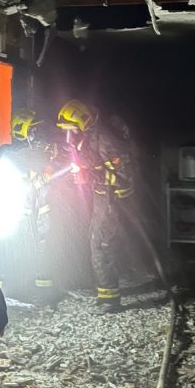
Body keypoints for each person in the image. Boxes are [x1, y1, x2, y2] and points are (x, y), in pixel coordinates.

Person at [55, 99, 138, 314]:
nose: (70, 135)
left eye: (72, 129)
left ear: (84, 123)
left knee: (101, 243)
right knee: (98, 239)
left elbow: (123, 177)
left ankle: (110, 299)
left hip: (113, 199)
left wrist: (89, 175)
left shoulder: (106, 140)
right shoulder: (90, 137)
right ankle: (106, 293)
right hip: (102, 197)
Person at [0, 109, 60, 305]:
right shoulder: (14, 154)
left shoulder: (32, 154)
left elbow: (46, 171)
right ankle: (9, 290)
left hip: (34, 213)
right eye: (34, 131)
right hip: (18, 216)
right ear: (22, 131)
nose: (39, 137)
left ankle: (40, 291)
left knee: (39, 248)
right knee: (14, 250)